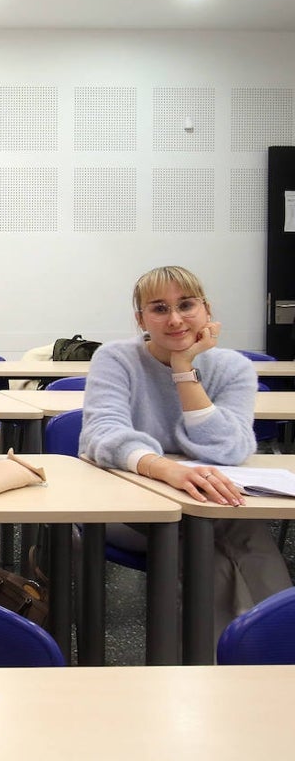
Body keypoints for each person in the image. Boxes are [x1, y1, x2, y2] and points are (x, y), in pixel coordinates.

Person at [79, 265, 291, 635]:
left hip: (211, 503)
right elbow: (101, 434)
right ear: (141, 318)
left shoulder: (233, 367)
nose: (175, 319)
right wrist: (169, 470)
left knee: (235, 537)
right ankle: (234, 662)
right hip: (129, 506)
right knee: (207, 540)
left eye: (186, 305)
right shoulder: (116, 359)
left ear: (207, 311)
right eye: (159, 308)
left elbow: (229, 448)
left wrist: (183, 371)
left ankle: (262, 657)